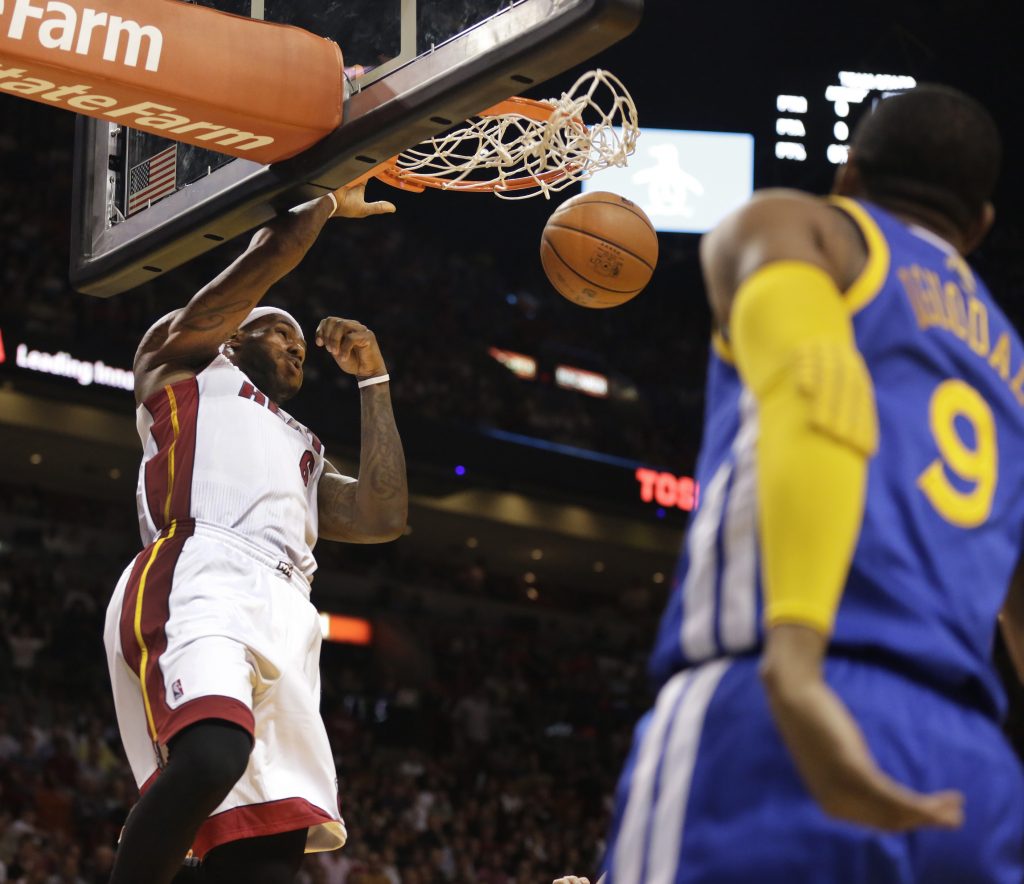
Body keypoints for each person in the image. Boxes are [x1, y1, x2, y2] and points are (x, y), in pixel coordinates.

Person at [582, 85, 1024, 884]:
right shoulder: (1015, 369)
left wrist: (796, 657)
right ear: (981, 225)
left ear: (848, 173)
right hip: (971, 765)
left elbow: (816, 395)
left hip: (787, 696)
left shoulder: (803, 227)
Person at [102, 184, 406, 884]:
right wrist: (325, 199)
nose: (298, 349)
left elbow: (381, 516)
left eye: (302, 345)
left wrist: (375, 380)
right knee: (211, 756)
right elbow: (268, 258)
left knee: (266, 859)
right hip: (202, 568)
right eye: (281, 334)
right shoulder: (182, 364)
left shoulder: (304, 445)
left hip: (291, 608)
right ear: (236, 334)